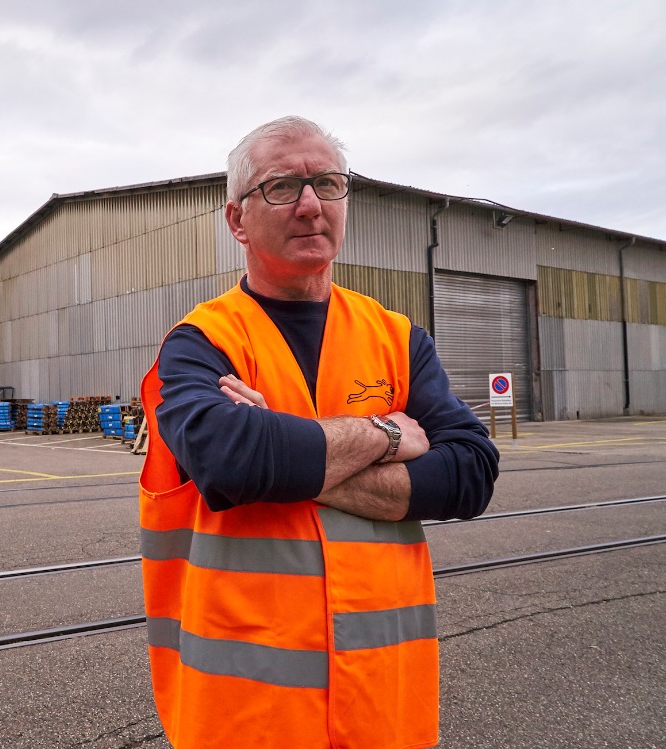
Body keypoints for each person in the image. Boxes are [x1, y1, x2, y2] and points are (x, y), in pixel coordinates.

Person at [138, 116, 499, 749]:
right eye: (281, 186)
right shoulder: (200, 344)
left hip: (381, 705)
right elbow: (230, 464)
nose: (310, 205)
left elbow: (470, 474)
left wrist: (289, 453)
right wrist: (388, 433)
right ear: (237, 219)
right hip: (245, 715)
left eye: (327, 183)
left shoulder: (396, 337)